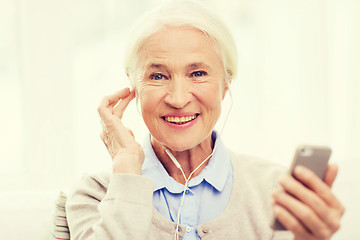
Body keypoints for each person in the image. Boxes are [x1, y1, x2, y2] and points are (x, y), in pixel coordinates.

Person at [66, 1, 345, 239]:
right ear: (133, 85)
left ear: (226, 83)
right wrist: (126, 166)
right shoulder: (96, 195)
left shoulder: (275, 192)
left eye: (198, 73)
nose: (177, 99)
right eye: (158, 76)